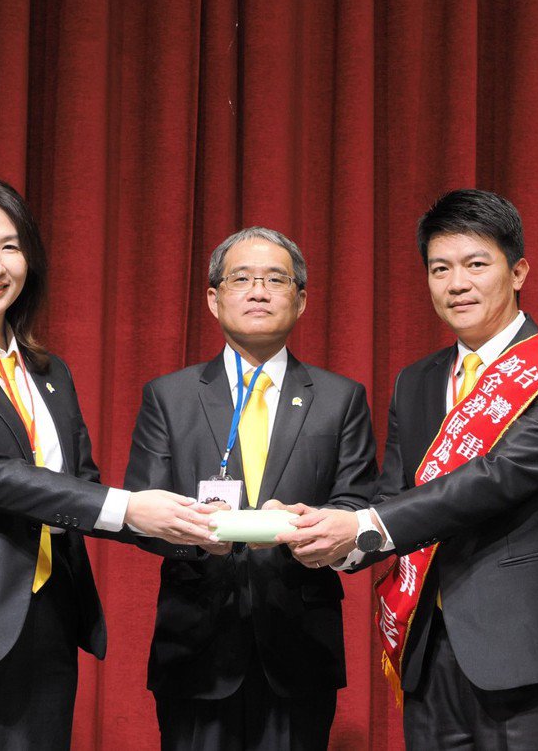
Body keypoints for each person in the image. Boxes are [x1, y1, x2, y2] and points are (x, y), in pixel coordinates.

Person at [0, 178, 215, 749]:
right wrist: (131, 507)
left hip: (46, 633)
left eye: (10, 247)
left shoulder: (50, 374)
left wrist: (193, 529)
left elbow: (81, 489)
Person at [277, 190, 538, 749]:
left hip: (525, 650)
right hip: (427, 651)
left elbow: (496, 478)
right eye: (440, 269)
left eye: (476, 264)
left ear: (518, 272)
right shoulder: (417, 380)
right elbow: (391, 494)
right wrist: (325, 534)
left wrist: (361, 526)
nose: (457, 284)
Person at [123, 227, 378, 750]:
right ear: (213, 299)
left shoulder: (341, 398)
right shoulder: (169, 396)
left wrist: (310, 528)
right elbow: (142, 513)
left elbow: (357, 504)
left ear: (301, 300)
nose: (258, 291)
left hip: (300, 644)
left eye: (275, 280)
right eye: (241, 279)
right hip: (196, 646)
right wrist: (196, 538)